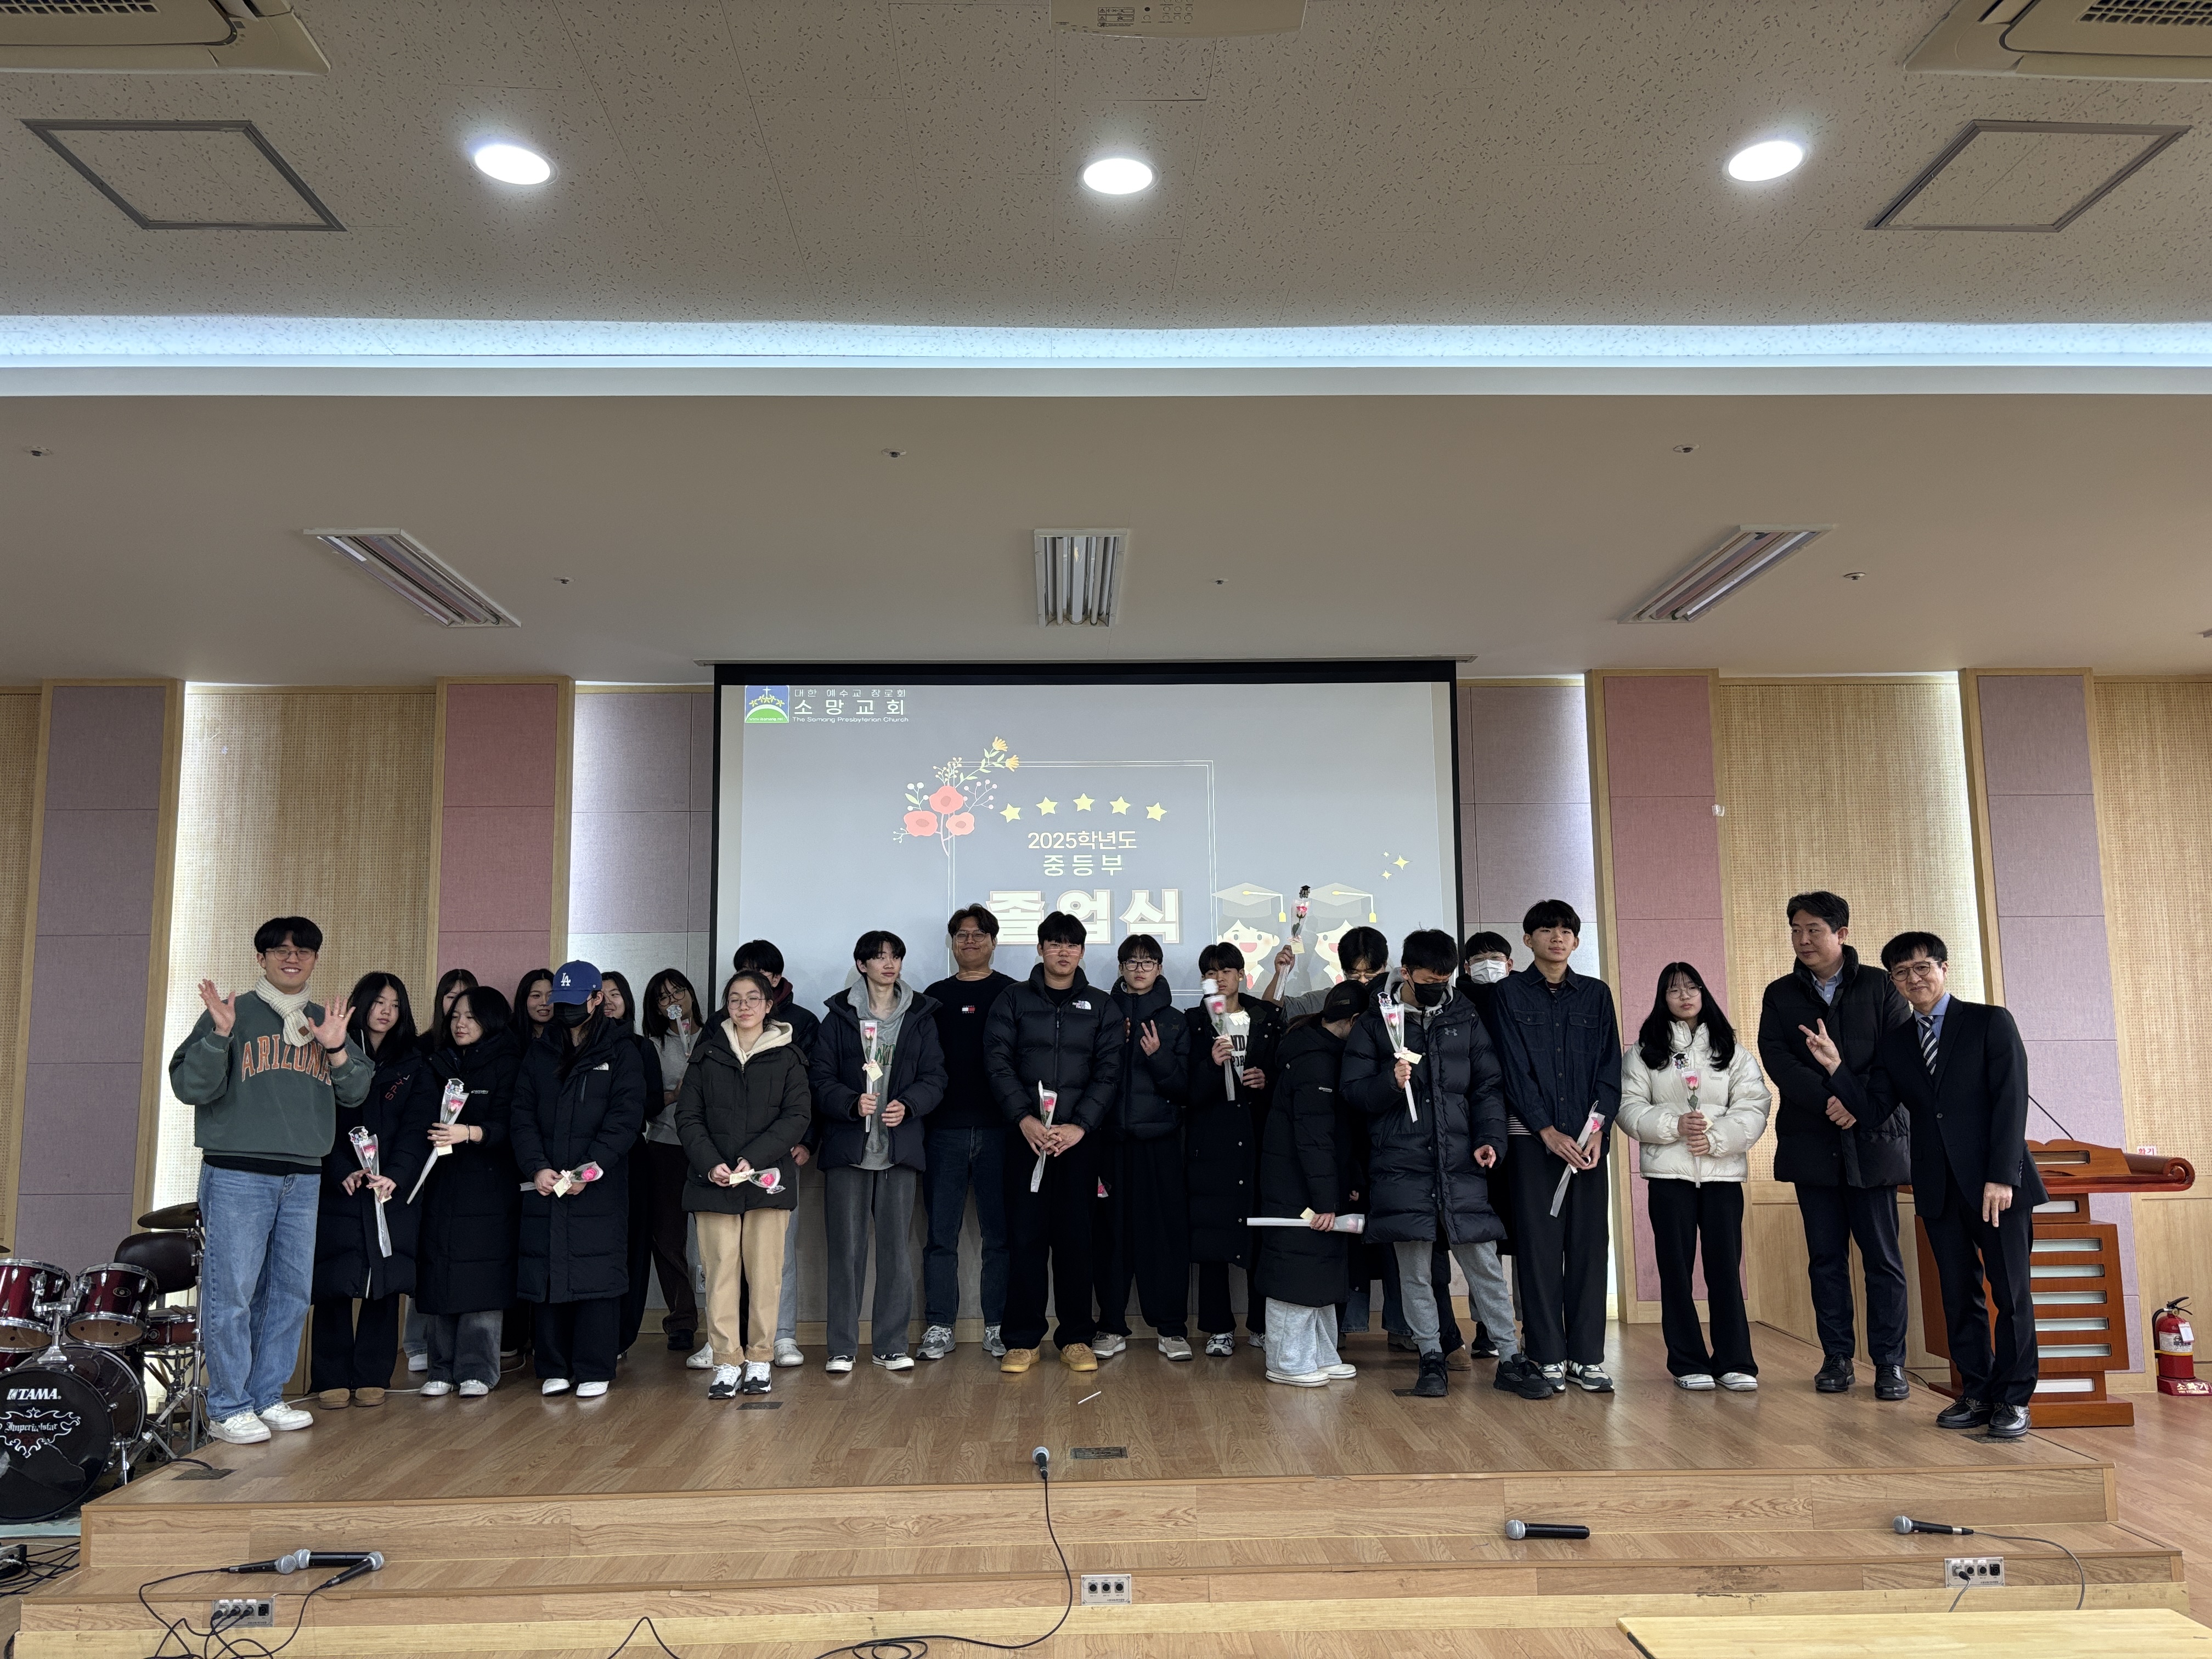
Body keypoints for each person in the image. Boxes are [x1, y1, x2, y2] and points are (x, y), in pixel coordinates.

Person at [1805, 933, 2043, 1440]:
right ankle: (1977, 1393)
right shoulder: (1897, 1043)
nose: (1913, 979)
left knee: (2011, 1295)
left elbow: (2012, 1100)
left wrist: (2002, 1175)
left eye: (1922, 968)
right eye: (1901, 973)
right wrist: (1835, 1067)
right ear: (1893, 982)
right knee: (1958, 1296)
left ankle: (2015, 1399)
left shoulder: (1989, 1022)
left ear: (1944, 968)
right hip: (1937, 1187)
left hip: (1996, 1186)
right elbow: (1873, 1111)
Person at [167, 916, 368, 1446]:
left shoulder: (326, 1020)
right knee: (232, 1292)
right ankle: (227, 1405)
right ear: (261, 958)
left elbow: (355, 1093)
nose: (292, 958)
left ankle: (265, 1395)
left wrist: (337, 1049)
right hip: (238, 1172)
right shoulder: (232, 1013)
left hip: (303, 1174)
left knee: (290, 1292)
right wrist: (221, 1036)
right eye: (280, 950)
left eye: (303, 951)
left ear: (315, 959)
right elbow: (191, 1087)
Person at [1342, 930, 1545, 1401]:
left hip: (1460, 1165)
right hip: (1401, 1166)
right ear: (1406, 973)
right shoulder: (1377, 1021)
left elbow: (1488, 1087)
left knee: (1484, 1266)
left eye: (1445, 979)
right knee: (1415, 1272)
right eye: (1430, 980)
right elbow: (1353, 1093)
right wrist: (1389, 1083)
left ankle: (1510, 1358)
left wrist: (1490, 1140)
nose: (1439, 987)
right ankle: (1430, 1357)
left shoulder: (1464, 1016)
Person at [1756, 890, 1914, 1401]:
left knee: (1883, 1260)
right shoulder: (1780, 994)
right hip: (1813, 1139)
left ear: (1841, 934)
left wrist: (1856, 1101)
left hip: (1873, 1139)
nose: (1803, 940)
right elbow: (1777, 1058)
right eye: (1796, 930)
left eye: (1814, 930)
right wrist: (1830, 1098)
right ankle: (1837, 1357)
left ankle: (1890, 1364)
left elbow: (1898, 1057)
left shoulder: (1880, 986)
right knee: (1825, 1259)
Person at [1617, 962, 1770, 1392]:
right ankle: (1687, 1363)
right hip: (1669, 1178)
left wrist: (1716, 1138)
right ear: (1662, 999)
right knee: (1675, 1270)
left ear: (1704, 993)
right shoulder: (1644, 1051)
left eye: (1692, 988)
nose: (1684, 996)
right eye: (1673, 990)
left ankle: (1736, 1361)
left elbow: (1755, 1105)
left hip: (1723, 1178)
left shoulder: (1732, 1050)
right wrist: (1674, 1126)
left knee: (1725, 1269)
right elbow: (1628, 1107)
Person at [1491, 900, 1622, 1393]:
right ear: (1528, 940)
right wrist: (1546, 1130)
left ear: (1577, 941)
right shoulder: (1507, 993)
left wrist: (1598, 1129)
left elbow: (1610, 1067)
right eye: (1547, 930)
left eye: (1566, 931)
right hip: (1534, 1142)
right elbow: (1512, 1068)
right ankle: (1546, 1353)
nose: (1557, 938)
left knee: (1590, 1246)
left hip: (1588, 1144)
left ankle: (1587, 1357)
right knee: (1539, 1248)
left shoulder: (1596, 994)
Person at [984, 910, 1122, 1374]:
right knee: (1024, 1239)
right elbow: (997, 1062)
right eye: (1055, 943)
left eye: (1072, 944)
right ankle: (1022, 1340)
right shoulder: (1012, 999)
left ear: (1082, 952)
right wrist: (1023, 1119)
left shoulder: (1102, 1006)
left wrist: (1080, 1126)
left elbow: (1109, 1072)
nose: (1064, 952)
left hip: (1078, 1143)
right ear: (1041, 948)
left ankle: (1076, 1337)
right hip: (1025, 1140)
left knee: (1076, 1241)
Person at [811, 931, 946, 1373]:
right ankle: (842, 1347)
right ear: (862, 964)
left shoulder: (920, 1015)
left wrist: (909, 1105)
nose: (889, 964)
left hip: (898, 1149)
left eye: (895, 956)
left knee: (895, 1253)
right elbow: (820, 1078)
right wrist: (851, 1103)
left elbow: (935, 1077)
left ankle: (890, 1345)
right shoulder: (839, 1015)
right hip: (849, 1150)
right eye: (879, 956)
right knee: (845, 1253)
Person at [510, 961, 645, 1398]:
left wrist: (591, 1168)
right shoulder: (540, 1052)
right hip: (548, 1181)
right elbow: (522, 1115)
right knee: (549, 1272)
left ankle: (594, 1366)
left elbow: (626, 1118)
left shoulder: (621, 1051)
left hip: (598, 1184)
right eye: (559, 1002)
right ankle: (554, 1365)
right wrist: (536, 1166)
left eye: (574, 1002)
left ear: (596, 1000)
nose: (564, 1010)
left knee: (598, 1272)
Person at [674, 970, 812, 1398]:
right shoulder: (706, 1055)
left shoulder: (789, 1056)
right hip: (713, 1181)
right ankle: (726, 1361)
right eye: (735, 999)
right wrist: (711, 1163)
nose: (744, 1006)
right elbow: (688, 1117)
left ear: (769, 1005)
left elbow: (797, 1117)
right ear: (727, 1007)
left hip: (767, 1180)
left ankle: (759, 1359)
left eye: (754, 998)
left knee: (766, 1274)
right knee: (719, 1273)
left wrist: (753, 1158)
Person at [311, 973, 436, 1410]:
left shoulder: (415, 1063)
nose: (387, 1011)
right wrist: (341, 1169)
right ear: (362, 1004)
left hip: (389, 1188)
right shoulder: (332, 1052)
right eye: (380, 1002)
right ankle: (329, 1376)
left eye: (396, 1005)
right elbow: (319, 1119)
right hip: (342, 1186)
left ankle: (372, 1374)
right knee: (333, 1280)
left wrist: (396, 1175)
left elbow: (418, 1127)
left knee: (385, 1280)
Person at [1259, 979, 1369, 1386]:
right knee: (1296, 1269)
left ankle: (1321, 1353)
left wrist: (1347, 1183)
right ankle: (1286, 1361)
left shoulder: (1324, 1051)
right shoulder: (1314, 1061)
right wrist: (1325, 1201)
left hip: (1316, 1183)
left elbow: (1339, 1134)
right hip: (1296, 1186)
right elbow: (1314, 1137)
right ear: (1353, 1021)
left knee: (1321, 1267)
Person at [917, 906, 1017, 1361]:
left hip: (1002, 1130)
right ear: (952, 942)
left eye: (979, 935)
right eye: (961, 935)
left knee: (1000, 1236)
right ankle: (940, 1325)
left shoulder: (1013, 993)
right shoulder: (934, 997)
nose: (970, 941)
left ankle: (999, 1325)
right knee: (941, 1236)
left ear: (994, 942)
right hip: (944, 1131)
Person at [414, 985, 521, 1398]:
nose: (460, 1024)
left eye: (471, 1017)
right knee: (438, 1271)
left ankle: (478, 1369)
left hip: (488, 1184)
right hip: (441, 1181)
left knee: (482, 1275)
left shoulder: (510, 1063)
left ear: (491, 1020)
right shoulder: (436, 1061)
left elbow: (516, 1126)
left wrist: (472, 1132)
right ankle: (440, 1368)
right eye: (456, 1015)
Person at [1096, 934, 1194, 1359]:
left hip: (1160, 1144)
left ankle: (1172, 1330)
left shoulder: (1175, 1021)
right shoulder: (1103, 1013)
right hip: (1110, 1143)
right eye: (1132, 962)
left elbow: (1185, 1088)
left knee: (1165, 1239)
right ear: (1121, 969)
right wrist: (1115, 1045)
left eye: (1148, 962)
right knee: (1110, 1238)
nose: (1139, 969)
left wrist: (1157, 1056)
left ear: (1159, 968)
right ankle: (1110, 1327)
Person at [1184, 941, 1283, 1355]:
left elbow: (1284, 1073)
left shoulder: (1267, 1018)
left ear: (1241, 975)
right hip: (1212, 1139)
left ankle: (1260, 1325)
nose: (1219, 978)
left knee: (1261, 1232)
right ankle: (1218, 1328)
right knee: (1212, 1235)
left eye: (1226, 970)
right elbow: (1186, 1089)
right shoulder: (1193, 1022)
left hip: (1258, 1136)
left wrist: (1266, 1081)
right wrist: (1211, 1064)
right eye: (1211, 972)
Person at [732, 939, 818, 1370]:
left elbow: (812, 1091)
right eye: (743, 975)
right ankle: (727, 1340)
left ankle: (782, 1335)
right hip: (727, 1160)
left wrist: (808, 1141)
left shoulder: (803, 1023)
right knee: (726, 1254)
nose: (749, 991)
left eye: (761, 975)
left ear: (777, 980)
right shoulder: (720, 1027)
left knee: (777, 1251)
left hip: (782, 1154)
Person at [407, 968, 476, 1372]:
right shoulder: (422, 1048)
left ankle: (456, 1347)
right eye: (451, 997)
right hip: (422, 1158)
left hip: (467, 1161)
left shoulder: (482, 1052)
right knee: (423, 1251)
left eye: (466, 999)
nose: (457, 1009)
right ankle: (417, 1342)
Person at [599, 973, 670, 1358]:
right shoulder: (578, 1046)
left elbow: (653, 1102)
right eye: (601, 995)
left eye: (616, 994)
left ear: (627, 1000)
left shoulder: (642, 1047)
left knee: (635, 1246)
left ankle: (623, 1335)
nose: (609, 1001)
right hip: (589, 1157)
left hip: (632, 1154)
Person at [639, 969, 704, 1353]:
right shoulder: (652, 1046)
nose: (673, 1001)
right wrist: (673, 1095)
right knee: (667, 1237)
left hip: (709, 1149)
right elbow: (643, 1103)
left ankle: (732, 1320)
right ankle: (681, 1319)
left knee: (718, 1236)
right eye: (663, 998)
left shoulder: (715, 1036)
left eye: (678, 992)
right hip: (665, 1146)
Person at [1262, 923, 1390, 1019]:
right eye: (1354, 974)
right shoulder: (1327, 1001)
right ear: (1344, 970)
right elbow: (1272, 1012)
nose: (1363, 980)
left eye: (1370, 973)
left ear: (1384, 965)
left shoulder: (1398, 1000)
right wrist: (1281, 975)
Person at [514, 968, 556, 1049]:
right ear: (524, 999)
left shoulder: (566, 1034)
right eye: (536, 996)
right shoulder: (509, 1035)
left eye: (551, 996)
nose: (545, 1002)